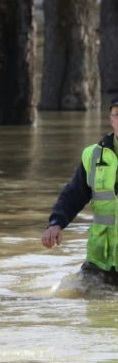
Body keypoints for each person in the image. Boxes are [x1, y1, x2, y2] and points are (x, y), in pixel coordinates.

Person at [43, 96, 118, 286]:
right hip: (99, 259)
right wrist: (55, 224)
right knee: (76, 296)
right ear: (111, 119)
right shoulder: (93, 155)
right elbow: (73, 195)